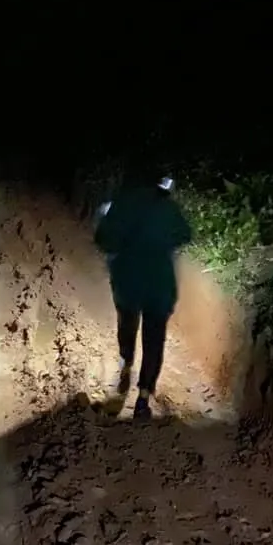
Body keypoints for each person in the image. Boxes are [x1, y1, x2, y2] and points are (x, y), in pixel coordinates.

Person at [94, 171, 192, 419]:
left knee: (127, 325)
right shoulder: (167, 207)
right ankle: (143, 397)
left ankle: (125, 365)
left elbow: (103, 240)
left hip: (128, 282)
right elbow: (185, 235)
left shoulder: (122, 203)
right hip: (160, 286)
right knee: (154, 340)